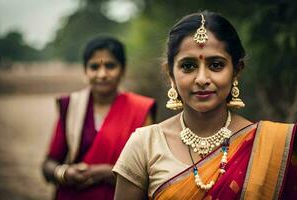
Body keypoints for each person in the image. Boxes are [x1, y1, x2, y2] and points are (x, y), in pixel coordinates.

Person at [113, 11, 297, 199]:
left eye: (216, 65)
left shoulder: (270, 145)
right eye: (188, 66)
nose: (201, 79)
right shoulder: (145, 145)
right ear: (170, 73)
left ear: (236, 71)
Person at [42, 36, 156, 200]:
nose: (102, 74)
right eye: (94, 67)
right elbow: (48, 164)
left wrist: (107, 172)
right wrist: (66, 173)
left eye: (110, 66)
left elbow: (150, 171)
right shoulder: (72, 106)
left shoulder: (140, 110)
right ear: (85, 71)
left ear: (122, 70)